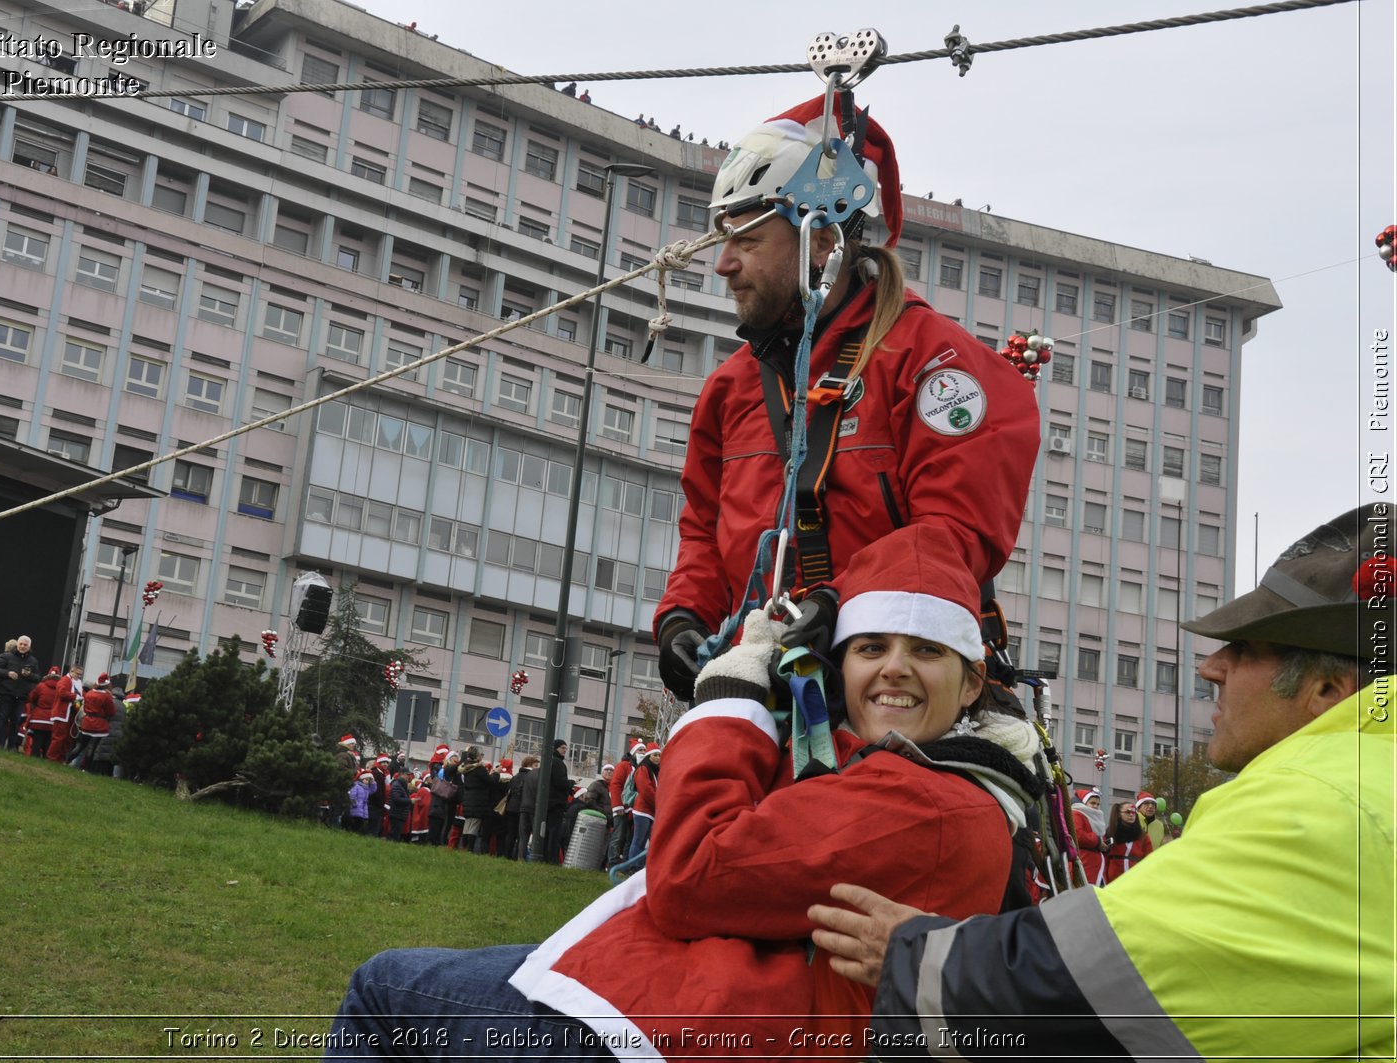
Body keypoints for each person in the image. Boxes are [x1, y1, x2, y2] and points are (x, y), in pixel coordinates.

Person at [327, 524, 1046, 1057]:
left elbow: (691, 869)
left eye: (925, 649)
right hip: (723, 1005)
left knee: (384, 993)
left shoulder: (932, 796)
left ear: (974, 681)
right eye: (871, 647)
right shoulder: (938, 774)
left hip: (708, 1030)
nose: (894, 669)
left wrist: (729, 696)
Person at [807, 503, 1397, 1061]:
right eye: (871, 647)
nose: (1212, 667)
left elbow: (1094, 983)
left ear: (1327, 692)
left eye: (1243, 650)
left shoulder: (1327, 801)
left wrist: (910, 955)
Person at [652, 92, 1039, 703]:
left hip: (897, 692)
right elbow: (703, 532)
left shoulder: (935, 363)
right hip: (760, 680)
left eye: (748, 240)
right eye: (724, 239)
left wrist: (844, 601)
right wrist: (683, 616)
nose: (722, 263)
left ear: (821, 241)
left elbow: (956, 532)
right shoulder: (732, 388)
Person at [0, 635, 40, 749]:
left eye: (25, 645)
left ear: (29, 646)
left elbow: (38, 678)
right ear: (17, 644)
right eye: (20, 644)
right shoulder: (7, 656)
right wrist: (7, 673)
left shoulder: (33, 661)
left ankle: (11, 746)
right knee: (2, 718)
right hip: (6, 692)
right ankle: (0, 743)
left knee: (16, 720)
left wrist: (29, 675)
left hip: (21, 695)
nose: (22, 646)